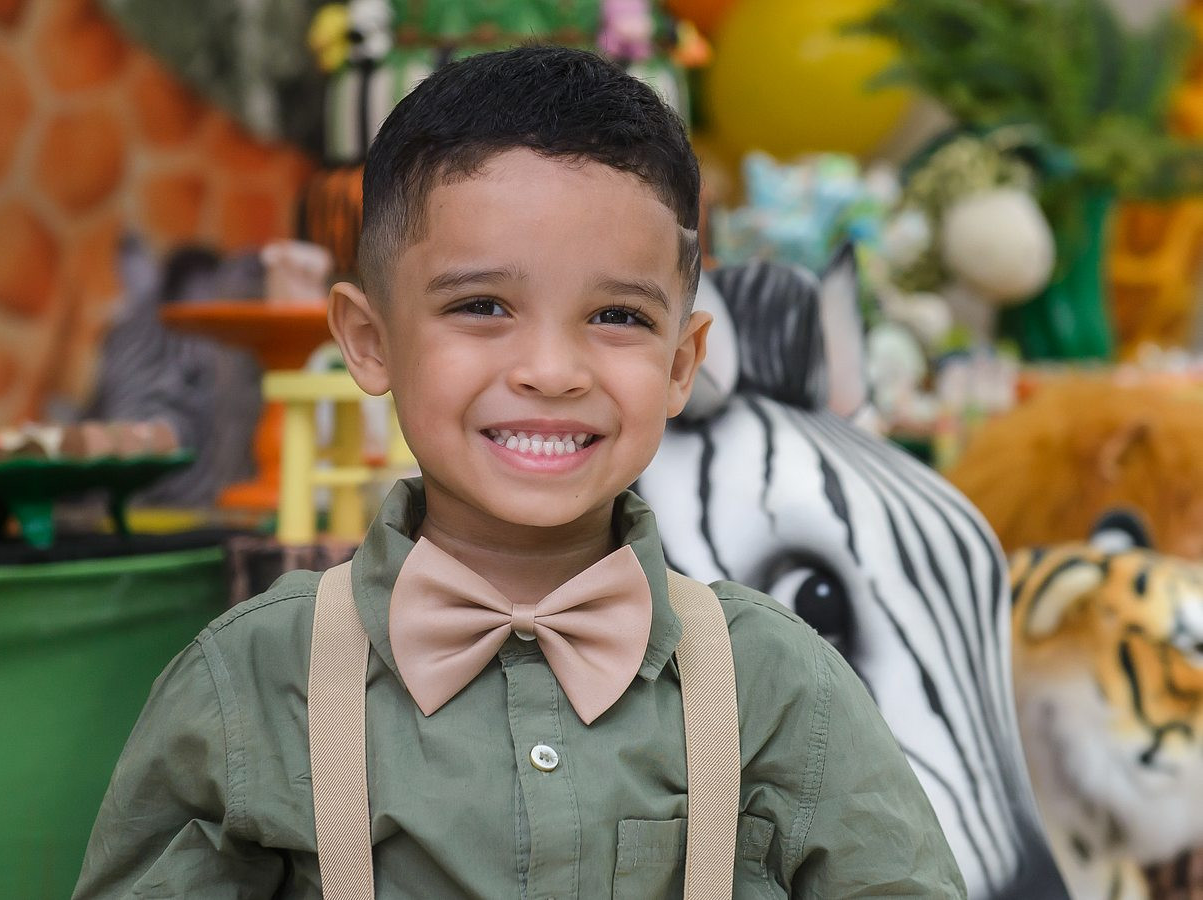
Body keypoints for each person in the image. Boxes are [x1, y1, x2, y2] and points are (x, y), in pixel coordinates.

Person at [73, 46, 965, 898]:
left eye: (617, 316)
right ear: (370, 340)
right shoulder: (250, 682)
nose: (551, 370)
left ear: (681, 363)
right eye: (482, 305)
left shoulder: (780, 683)